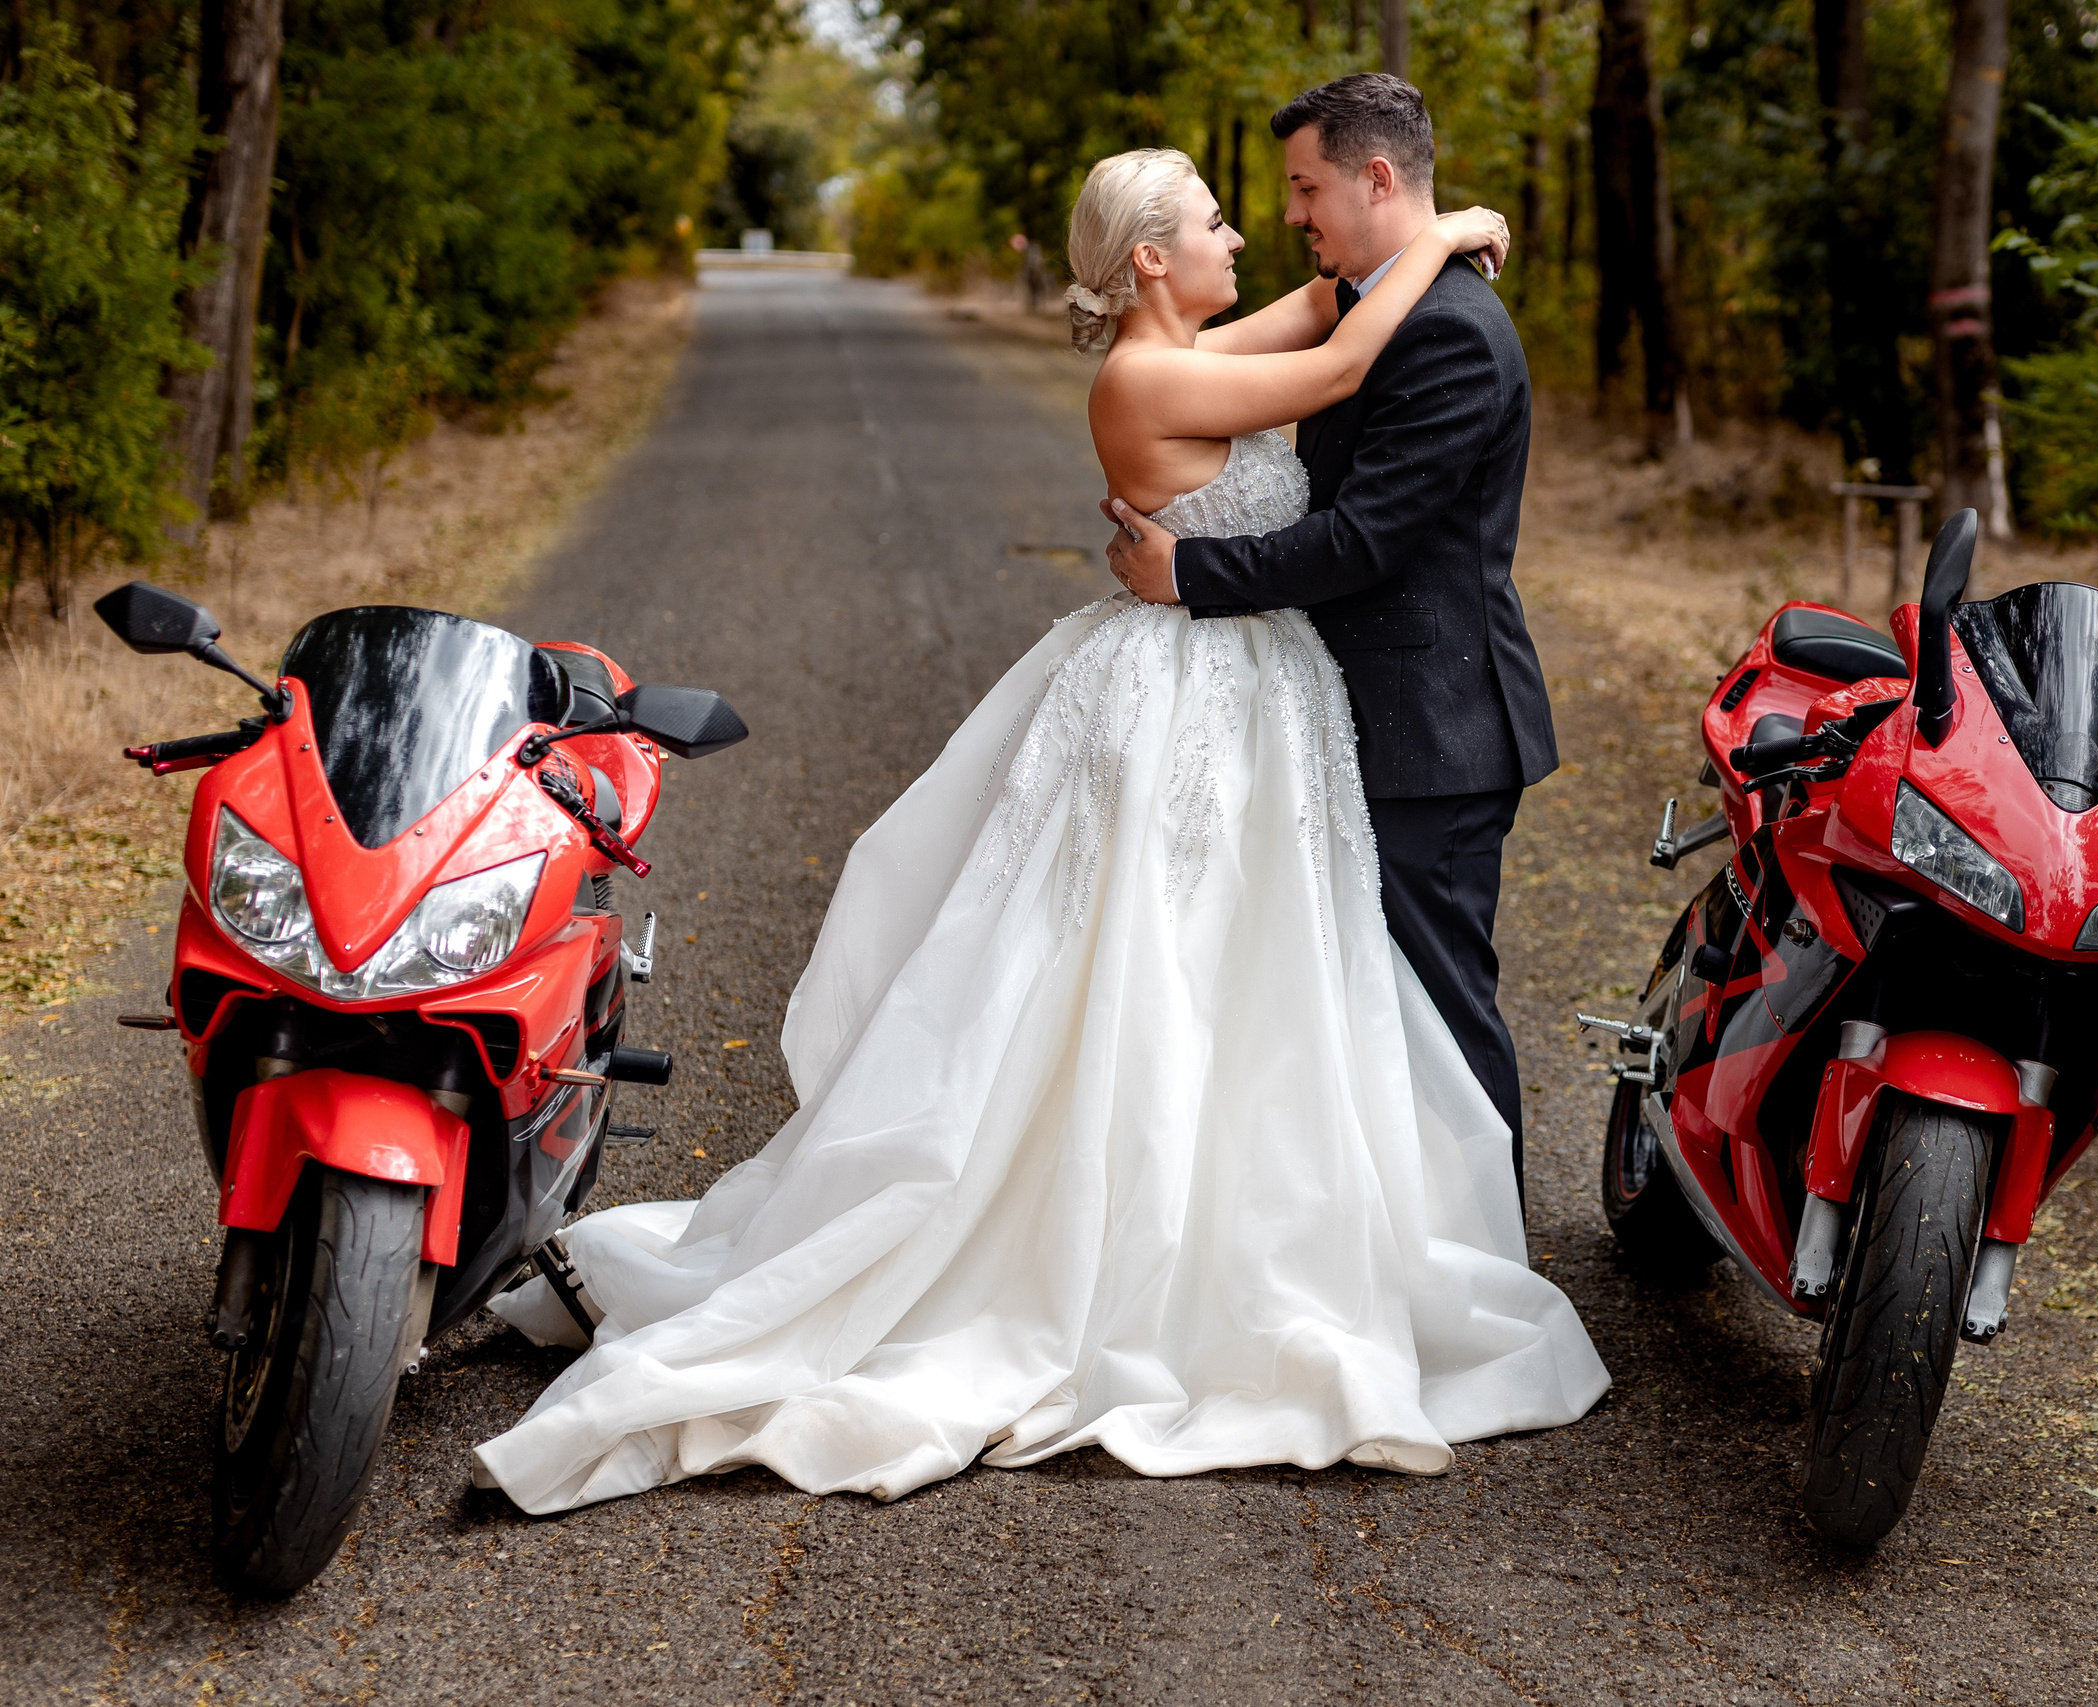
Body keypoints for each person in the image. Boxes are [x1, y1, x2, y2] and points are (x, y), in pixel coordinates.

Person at [470, 125, 1605, 1517]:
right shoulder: (1145, 373)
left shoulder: (1196, 339)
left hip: (1259, 693)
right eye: (1213, 220)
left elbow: (1321, 309)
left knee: (1258, 975)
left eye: (1279, 202)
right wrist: (1436, 236)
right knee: (1138, 966)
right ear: (1150, 256)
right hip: (1189, 688)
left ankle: (1312, 1218)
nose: (1246, 232)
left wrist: (1448, 215)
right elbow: (1343, 361)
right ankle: (1131, 1251)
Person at [1104, 75, 1552, 1205]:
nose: (1288, 214)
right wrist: (1440, 234)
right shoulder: (1364, 303)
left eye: (1306, 187)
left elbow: (1364, 542)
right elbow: (1321, 338)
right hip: (1336, 711)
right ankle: (1380, 1237)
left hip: (1430, 726)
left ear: (1377, 177)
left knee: (1438, 1008)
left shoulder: (1445, 330)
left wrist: (1189, 571)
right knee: (1349, 1002)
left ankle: (1485, 1257)